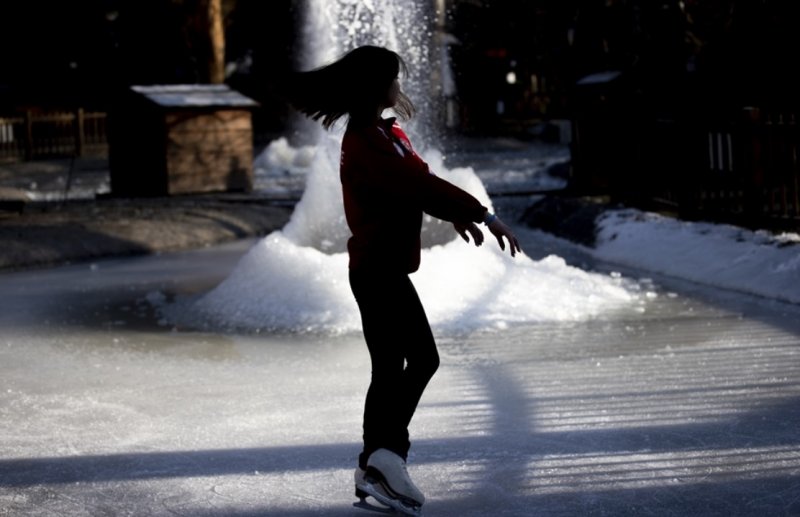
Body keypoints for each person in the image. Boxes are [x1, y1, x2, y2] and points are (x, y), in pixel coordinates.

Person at [284, 45, 521, 515]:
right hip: (375, 271)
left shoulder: (386, 134)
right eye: (392, 79)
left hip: (382, 268)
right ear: (375, 87)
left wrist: (452, 214)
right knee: (415, 361)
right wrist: (481, 213)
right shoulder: (366, 141)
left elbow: (418, 178)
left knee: (396, 366)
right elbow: (417, 185)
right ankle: (384, 460)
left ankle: (375, 465)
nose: (398, 87)